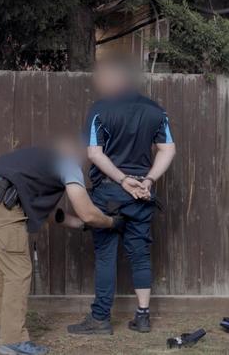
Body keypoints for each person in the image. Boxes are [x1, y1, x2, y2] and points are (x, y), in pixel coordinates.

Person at [0, 137, 124, 355]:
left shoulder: (34, 162)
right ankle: (13, 341)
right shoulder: (68, 164)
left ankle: (6, 328)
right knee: (18, 272)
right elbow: (87, 211)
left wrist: (83, 226)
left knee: (6, 268)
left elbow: (50, 215)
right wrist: (110, 222)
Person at [67, 56, 176, 335]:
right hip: (142, 193)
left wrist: (122, 179)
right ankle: (142, 317)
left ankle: (101, 319)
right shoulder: (156, 111)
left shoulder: (101, 109)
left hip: (109, 193)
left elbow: (94, 153)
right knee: (140, 254)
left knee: (106, 254)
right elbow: (168, 149)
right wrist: (148, 179)